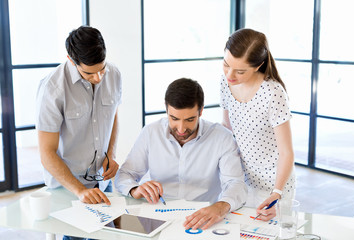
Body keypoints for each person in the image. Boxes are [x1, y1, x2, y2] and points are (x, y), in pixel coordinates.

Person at [115, 78, 247, 230]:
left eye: (190, 119)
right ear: (166, 110)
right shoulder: (151, 132)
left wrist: (222, 206)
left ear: (201, 111)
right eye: (174, 118)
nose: (181, 129)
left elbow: (236, 183)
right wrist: (134, 189)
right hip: (157, 218)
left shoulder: (222, 137)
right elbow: (125, 174)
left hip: (202, 221)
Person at [36, 26, 122, 207]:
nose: (98, 78)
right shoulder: (52, 89)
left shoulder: (114, 74)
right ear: (71, 61)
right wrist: (80, 190)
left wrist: (110, 154)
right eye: (89, 73)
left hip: (102, 181)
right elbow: (46, 152)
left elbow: (112, 115)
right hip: (68, 187)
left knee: (109, 233)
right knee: (76, 236)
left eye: (102, 69)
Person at [220, 28, 295, 221]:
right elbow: (227, 128)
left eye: (240, 71)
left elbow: (286, 152)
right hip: (241, 181)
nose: (230, 75)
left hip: (273, 186)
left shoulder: (273, 93)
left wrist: (276, 193)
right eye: (226, 64)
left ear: (258, 66)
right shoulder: (225, 82)